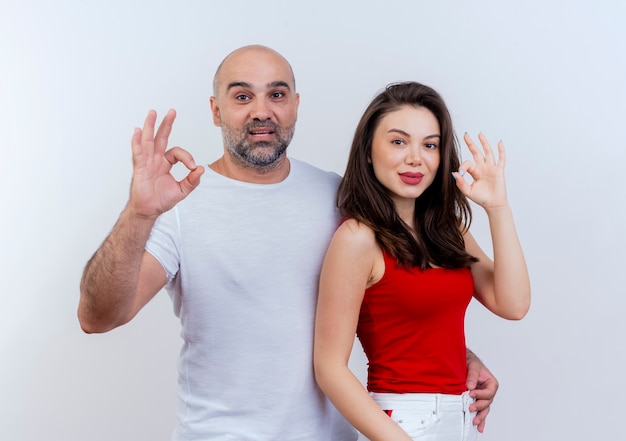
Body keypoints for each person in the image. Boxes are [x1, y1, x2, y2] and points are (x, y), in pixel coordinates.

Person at [78, 46, 499, 440]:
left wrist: (459, 357)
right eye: (242, 97)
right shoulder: (181, 205)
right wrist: (139, 214)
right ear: (215, 110)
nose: (262, 112)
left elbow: (392, 297)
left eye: (276, 94)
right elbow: (98, 317)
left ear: (296, 104)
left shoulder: (339, 198)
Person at [313, 82, 530, 441]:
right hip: (402, 423)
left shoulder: (449, 231)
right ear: (368, 151)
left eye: (430, 145)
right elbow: (329, 368)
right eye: (398, 141)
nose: (416, 158)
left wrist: (497, 209)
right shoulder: (358, 239)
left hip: (461, 419)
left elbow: (514, 304)